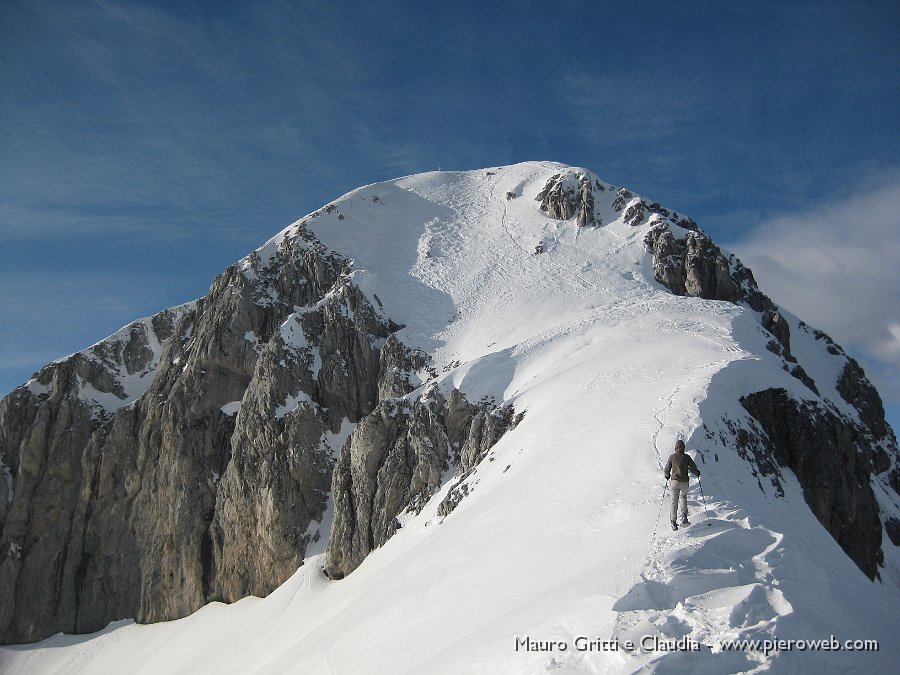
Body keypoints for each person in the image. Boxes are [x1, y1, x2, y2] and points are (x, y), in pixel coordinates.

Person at [664, 440, 700, 530]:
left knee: (674, 501)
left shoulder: (672, 457)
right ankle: (684, 516)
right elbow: (693, 468)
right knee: (683, 497)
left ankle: (673, 522)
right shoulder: (687, 457)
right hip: (684, 482)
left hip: (674, 482)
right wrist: (697, 473)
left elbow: (667, 468)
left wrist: (667, 475)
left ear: (676, 447)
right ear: (683, 447)